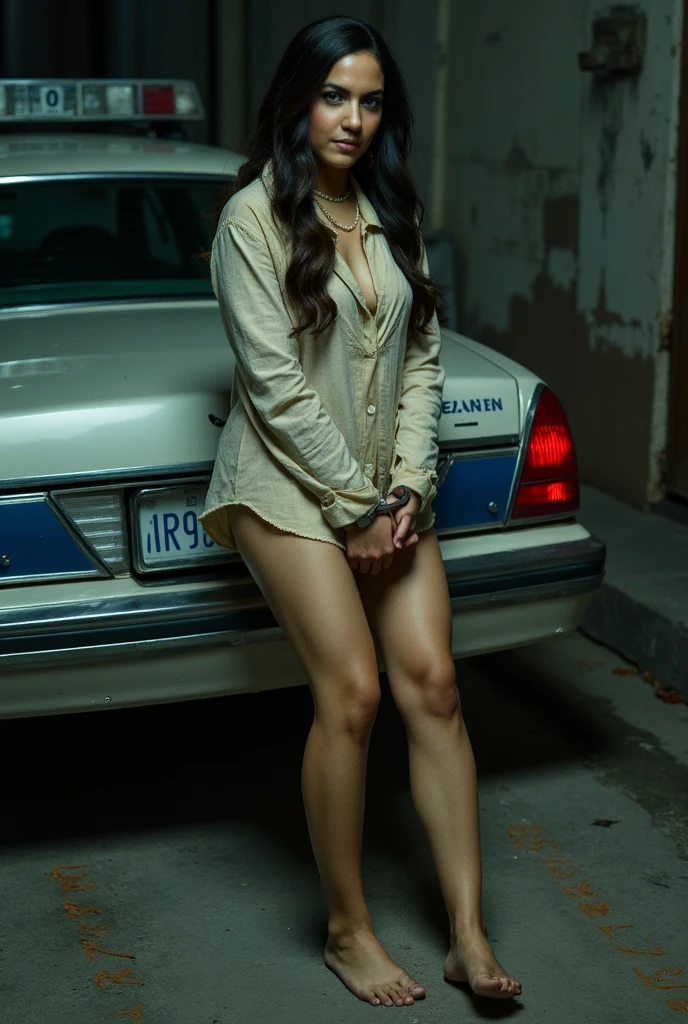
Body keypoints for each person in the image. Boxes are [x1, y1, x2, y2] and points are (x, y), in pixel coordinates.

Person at [199, 14, 522, 1009]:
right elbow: (273, 388)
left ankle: (468, 934)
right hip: (286, 488)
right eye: (334, 95)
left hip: (382, 489)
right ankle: (346, 927)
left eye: (370, 100)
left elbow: (424, 358)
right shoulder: (250, 220)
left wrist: (408, 488)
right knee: (353, 694)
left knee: (431, 683)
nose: (352, 118)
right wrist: (352, 506)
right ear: (298, 99)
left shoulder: (393, 211)